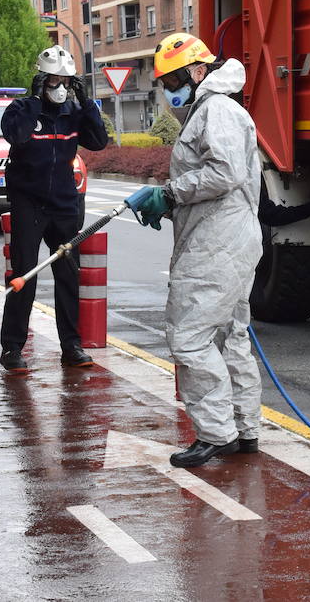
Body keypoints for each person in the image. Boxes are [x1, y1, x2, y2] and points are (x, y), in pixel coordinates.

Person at [125, 33, 263, 468]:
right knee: (229, 335)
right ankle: (244, 429)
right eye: (165, 83)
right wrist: (169, 204)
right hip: (225, 236)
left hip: (217, 245)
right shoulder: (212, 109)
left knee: (188, 337)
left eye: (174, 79)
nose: (169, 90)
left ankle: (216, 433)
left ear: (199, 71)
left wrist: (169, 194)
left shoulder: (217, 110)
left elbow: (223, 173)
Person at [0, 45, 109, 373]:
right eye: (53, 82)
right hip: (28, 203)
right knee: (24, 275)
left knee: (67, 275)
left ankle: (71, 345)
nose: (60, 88)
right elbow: (16, 136)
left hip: (64, 203)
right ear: (40, 81)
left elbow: (98, 141)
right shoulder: (21, 110)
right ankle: (12, 348)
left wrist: (87, 102)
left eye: (66, 82)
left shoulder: (74, 112)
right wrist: (33, 102)